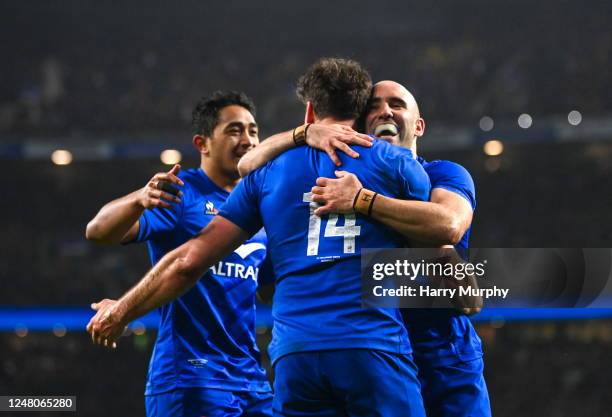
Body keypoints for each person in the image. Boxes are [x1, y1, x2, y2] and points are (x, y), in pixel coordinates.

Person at [87, 58, 430, 417]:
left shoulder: (266, 176)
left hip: (293, 358)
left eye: (252, 130)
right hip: (370, 347)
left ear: (310, 109)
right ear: (361, 110)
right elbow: (438, 244)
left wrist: (123, 310)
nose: (247, 140)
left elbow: (190, 262)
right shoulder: (398, 165)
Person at [239, 80, 490, 417]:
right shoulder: (330, 188)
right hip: (366, 357)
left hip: (442, 358)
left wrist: (363, 201)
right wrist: (302, 133)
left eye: (397, 104)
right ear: (358, 122)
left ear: (418, 126)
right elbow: (247, 169)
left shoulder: (443, 175)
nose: (385, 110)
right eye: (374, 105)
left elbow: (451, 232)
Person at [85, 91, 274, 417]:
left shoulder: (259, 207)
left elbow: (268, 289)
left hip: (251, 379)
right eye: (234, 130)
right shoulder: (182, 192)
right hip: (191, 375)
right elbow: (98, 231)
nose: (248, 140)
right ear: (203, 143)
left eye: (253, 130)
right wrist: (139, 199)